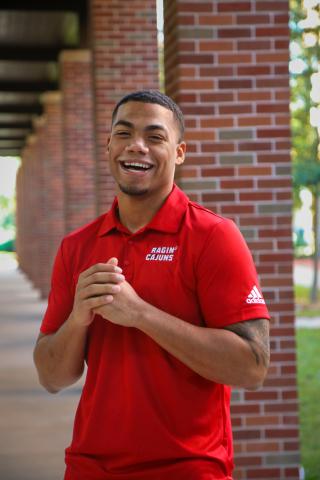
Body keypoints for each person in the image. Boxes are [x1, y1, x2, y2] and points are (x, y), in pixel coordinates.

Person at [33, 90, 270, 480]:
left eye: (155, 137)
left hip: (188, 467)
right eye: (124, 134)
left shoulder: (214, 237)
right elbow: (52, 377)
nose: (136, 146)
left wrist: (140, 314)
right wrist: (78, 318)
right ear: (109, 145)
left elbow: (252, 367)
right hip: (89, 467)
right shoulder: (77, 247)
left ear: (179, 152)